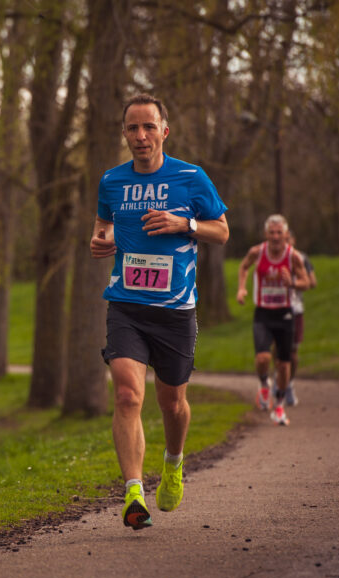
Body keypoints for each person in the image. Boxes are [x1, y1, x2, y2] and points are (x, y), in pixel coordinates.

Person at [90, 93, 229, 531]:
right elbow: (103, 228)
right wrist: (101, 241)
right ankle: (134, 493)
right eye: (133, 128)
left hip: (174, 311)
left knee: (173, 404)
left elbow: (222, 232)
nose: (141, 135)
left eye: (149, 127)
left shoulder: (191, 177)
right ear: (125, 134)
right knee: (128, 395)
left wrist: (182, 224)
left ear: (164, 131)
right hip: (126, 305)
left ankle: (173, 463)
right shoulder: (111, 181)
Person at [236, 215, 310, 426]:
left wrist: (293, 282)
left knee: (284, 364)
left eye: (280, 233)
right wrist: (241, 289)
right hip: (263, 313)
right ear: (266, 234)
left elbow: (306, 282)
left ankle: (279, 406)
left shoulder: (293, 256)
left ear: (286, 235)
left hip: (285, 314)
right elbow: (243, 267)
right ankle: (263, 384)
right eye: (272, 233)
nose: (276, 237)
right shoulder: (257, 252)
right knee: (262, 359)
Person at [284, 232, 317, 406]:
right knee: (277, 349)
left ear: (293, 240)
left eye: (288, 239)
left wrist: (294, 281)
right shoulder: (274, 256)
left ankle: (289, 383)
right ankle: (280, 378)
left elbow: (312, 283)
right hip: (275, 308)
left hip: (296, 309)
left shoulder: (301, 258)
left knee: (294, 351)